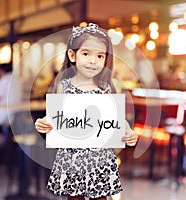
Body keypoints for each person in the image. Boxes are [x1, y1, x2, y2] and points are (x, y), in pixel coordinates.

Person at [34, 23, 138, 200]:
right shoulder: (63, 86)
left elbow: (116, 119)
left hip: (100, 158)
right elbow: (57, 116)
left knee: (101, 198)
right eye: (86, 54)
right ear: (72, 55)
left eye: (99, 56)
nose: (93, 61)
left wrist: (128, 131)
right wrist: (43, 122)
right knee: (74, 198)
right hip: (72, 159)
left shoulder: (106, 88)